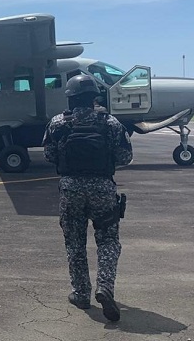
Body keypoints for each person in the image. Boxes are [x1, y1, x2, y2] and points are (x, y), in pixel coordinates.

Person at [42, 74, 133, 322]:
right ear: (94, 98)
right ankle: (104, 287)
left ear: (70, 98)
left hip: (70, 188)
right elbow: (125, 157)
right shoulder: (110, 122)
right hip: (102, 188)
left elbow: (49, 154)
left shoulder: (58, 123)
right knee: (108, 241)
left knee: (75, 243)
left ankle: (81, 293)